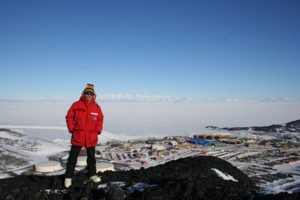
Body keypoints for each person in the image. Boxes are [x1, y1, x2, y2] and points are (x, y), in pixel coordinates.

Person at [64, 83, 104, 188]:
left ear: (94, 95)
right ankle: (68, 177)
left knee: (91, 157)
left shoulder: (96, 107)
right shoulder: (76, 105)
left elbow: (100, 119)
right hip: (78, 135)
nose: (89, 95)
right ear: (83, 94)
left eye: (91, 93)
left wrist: (97, 131)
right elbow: (69, 117)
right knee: (72, 157)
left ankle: (92, 174)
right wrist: (72, 128)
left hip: (91, 137)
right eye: (87, 93)